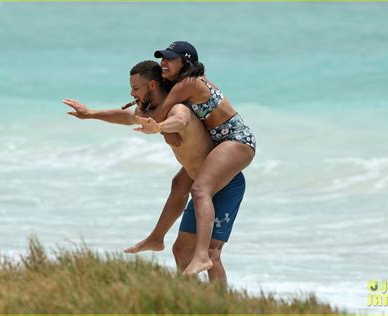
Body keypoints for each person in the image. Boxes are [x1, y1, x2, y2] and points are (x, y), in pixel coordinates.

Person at [63, 60, 245, 284]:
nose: (131, 93)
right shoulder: (153, 111)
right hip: (199, 181)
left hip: (225, 185)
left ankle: (223, 306)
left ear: (152, 85)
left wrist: (160, 128)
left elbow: (180, 120)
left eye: (136, 88)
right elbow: (126, 117)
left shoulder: (178, 108)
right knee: (180, 249)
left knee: (212, 255)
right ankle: (187, 300)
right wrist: (90, 113)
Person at [134, 42, 256, 275]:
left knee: (200, 190)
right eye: (163, 59)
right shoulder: (185, 84)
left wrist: (142, 110)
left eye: (170, 59)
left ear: (186, 63)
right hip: (218, 144)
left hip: (237, 140)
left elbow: (159, 116)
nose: (164, 63)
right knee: (180, 183)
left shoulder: (187, 84)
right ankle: (156, 238)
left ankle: (201, 256)